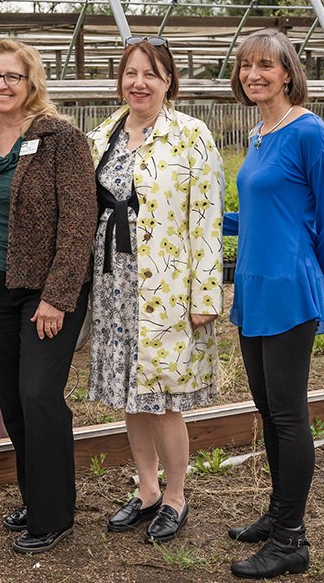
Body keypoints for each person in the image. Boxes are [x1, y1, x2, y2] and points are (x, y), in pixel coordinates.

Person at [86, 36, 224, 545]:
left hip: (165, 283)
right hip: (114, 282)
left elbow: (207, 218)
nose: (138, 83)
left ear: (168, 81)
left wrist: (204, 295)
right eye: (130, 74)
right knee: (130, 391)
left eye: (151, 74)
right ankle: (145, 489)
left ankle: (176, 496)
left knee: (165, 396)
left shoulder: (191, 136)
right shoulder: (103, 135)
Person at [223, 28, 324, 578]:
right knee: (266, 409)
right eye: (247, 66)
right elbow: (260, 214)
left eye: (266, 66)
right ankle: (278, 514)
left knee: (289, 414)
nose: (255, 74)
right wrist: (210, 222)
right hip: (252, 288)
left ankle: (292, 540)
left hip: (287, 291)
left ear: (289, 73)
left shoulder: (306, 130)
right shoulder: (259, 133)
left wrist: (307, 272)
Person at [0, 39, 96, 554]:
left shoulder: (61, 138)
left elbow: (79, 221)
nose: (2, 84)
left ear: (31, 83)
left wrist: (58, 296)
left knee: (40, 395)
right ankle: (35, 495)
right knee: (14, 401)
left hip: (47, 292)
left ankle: (55, 513)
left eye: (13, 76)